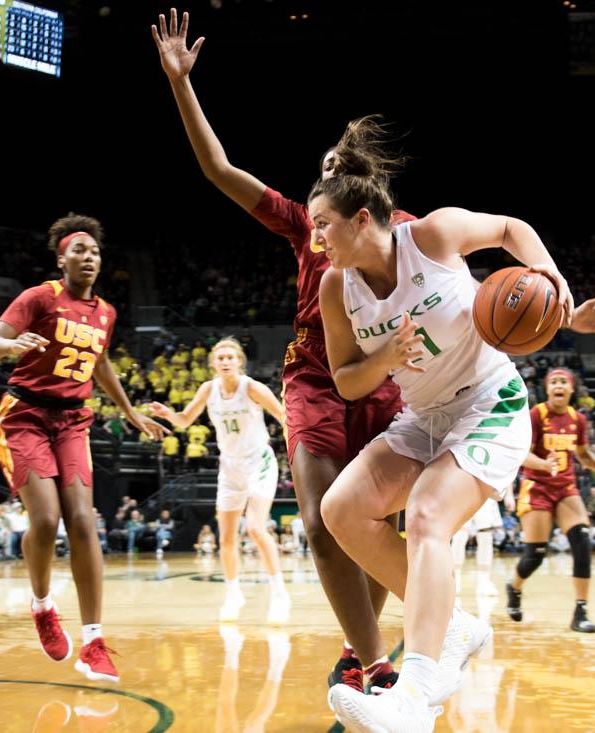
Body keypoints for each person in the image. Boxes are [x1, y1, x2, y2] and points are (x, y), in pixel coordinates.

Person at [310, 118, 595, 728]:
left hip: (491, 402)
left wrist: (555, 288)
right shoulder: (336, 288)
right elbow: (348, 380)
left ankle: (415, 697)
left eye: (323, 224)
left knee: (429, 515)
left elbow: (513, 229)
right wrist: (385, 358)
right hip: (426, 413)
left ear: (360, 220)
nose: (316, 236)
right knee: (341, 509)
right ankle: (451, 623)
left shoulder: (432, 235)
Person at [152, 8, 412, 693]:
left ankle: (361, 655)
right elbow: (216, 167)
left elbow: (472, 280)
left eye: (337, 167)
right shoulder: (306, 225)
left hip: (385, 385)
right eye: (321, 166)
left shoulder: (410, 233)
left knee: (371, 526)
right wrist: (182, 83)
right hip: (314, 383)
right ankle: (378, 662)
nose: (322, 173)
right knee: (326, 523)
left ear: (368, 192)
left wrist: (558, 307)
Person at [0, 214, 168, 683]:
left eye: (96, 252)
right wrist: (10, 343)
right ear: (61, 258)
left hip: (72, 421)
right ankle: (43, 605)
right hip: (23, 416)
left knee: (84, 520)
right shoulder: (39, 297)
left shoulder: (105, 312)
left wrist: (129, 412)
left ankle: (94, 642)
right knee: (45, 520)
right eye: (79, 250)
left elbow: (101, 363)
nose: (89, 257)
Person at [149, 338, 291, 624]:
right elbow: (185, 420)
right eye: (220, 357)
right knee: (225, 538)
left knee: (254, 527)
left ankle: (279, 593)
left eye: (230, 357)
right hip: (230, 466)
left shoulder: (251, 387)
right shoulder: (208, 389)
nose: (225, 361)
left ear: (240, 361)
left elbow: (283, 416)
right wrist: (168, 415)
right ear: (213, 363)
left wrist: (295, 450)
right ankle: (233, 593)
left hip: (258, 462)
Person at [506, 369, 595, 633]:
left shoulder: (577, 419)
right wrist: (544, 464)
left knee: (582, 540)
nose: (558, 386)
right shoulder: (536, 414)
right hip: (537, 486)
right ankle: (514, 587)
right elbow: (523, 453)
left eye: (563, 382)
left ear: (571, 389)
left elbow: (583, 453)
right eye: (553, 382)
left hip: (566, 487)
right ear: (548, 389)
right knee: (535, 555)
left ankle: (580, 611)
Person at [451, 498, 502, 597]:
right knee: (459, 536)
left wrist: (508, 494)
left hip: (486, 491)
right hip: (461, 491)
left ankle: (484, 581)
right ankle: (454, 580)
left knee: (486, 537)